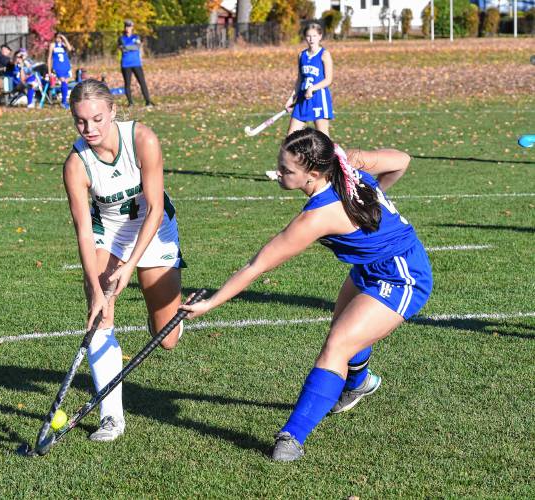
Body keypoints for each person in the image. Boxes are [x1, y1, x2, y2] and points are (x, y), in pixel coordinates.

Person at [181, 128, 433, 462]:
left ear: (313, 174)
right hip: (369, 267)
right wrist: (373, 200)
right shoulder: (348, 164)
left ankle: (292, 436)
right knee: (341, 333)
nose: (279, 173)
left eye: (286, 170)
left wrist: (212, 302)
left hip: (402, 277)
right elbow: (401, 160)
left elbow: (257, 265)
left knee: (337, 346)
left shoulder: (316, 217)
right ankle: (358, 382)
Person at [63, 79, 184, 441]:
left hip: (155, 229)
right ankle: (111, 418)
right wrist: (98, 290)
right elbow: (84, 231)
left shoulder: (142, 139)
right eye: (81, 121)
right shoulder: (76, 164)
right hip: (109, 235)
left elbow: (155, 207)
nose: (90, 129)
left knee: (168, 338)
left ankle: (161, 315)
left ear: (113, 111)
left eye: (97, 119)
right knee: (100, 315)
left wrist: (130, 267)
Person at [285, 21, 333, 137]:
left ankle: (337, 155)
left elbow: (328, 80)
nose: (311, 39)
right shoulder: (302, 55)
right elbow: (300, 79)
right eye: (308, 36)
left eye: (314, 36)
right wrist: (291, 98)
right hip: (302, 99)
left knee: (324, 140)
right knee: (290, 139)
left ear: (320, 36)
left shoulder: (324, 54)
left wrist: (312, 88)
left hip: (318, 99)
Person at [117, 20, 154, 106]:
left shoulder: (136, 37)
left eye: (129, 27)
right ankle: (130, 103)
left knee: (142, 82)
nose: (127, 28)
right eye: (126, 26)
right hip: (126, 64)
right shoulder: (121, 38)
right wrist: (130, 47)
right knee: (127, 84)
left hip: (136, 63)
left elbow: (137, 47)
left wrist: (127, 47)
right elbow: (122, 48)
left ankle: (148, 101)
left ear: (132, 28)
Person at [46, 32, 74, 109]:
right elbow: (49, 58)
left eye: (60, 38)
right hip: (57, 67)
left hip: (65, 66)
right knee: (63, 81)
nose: (59, 39)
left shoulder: (64, 45)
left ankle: (64, 100)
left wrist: (64, 39)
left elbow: (70, 49)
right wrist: (49, 70)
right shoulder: (52, 45)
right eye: (57, 37)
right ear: (55, 38)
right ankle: (64, 102)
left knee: (65, 84)